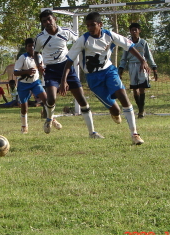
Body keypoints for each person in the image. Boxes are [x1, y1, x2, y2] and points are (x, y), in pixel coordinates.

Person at [59, 12, 150, 145]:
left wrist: (142, 60)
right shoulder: (83, 40)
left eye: (93, 25)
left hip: (108, 70)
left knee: (123, 96)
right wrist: (63, 80)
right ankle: (115, 112)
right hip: (93, 78)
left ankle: (134, 134)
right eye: (88, 25)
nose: (90, 28)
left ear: (100, 25)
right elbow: (69, 61)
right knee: (115, 110)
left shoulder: (109, 35)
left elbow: (129, 46)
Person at [35, 9, 103, 138]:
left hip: (67, 68)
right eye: (44, 21)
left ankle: (92, 132)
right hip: (50, 70)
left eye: (49, 19)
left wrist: (81, 58)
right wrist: (39, 64)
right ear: (42, 24)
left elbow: (80, 42)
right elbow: (36, 52)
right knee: (51, 98)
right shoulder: (40, 38)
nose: (48, 22)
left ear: (55, 19)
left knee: (82, 100)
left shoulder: (65, 32)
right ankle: (49, 119)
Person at [118, 23, 158, 118]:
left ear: (139, 31)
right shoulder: (127, 43)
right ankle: (140, 107)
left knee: (142, 88)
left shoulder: (143, 43)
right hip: (132, 66)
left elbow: (149, 56)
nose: (134, 31)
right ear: (130, 32)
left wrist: (154, 68)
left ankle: (141, 111)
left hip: (142, 66)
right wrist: (121, 69)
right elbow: (124, 58)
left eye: (136, 29)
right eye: (132, 30)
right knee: (135, 90)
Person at [13, 38, 49, 134]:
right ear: (26, 48)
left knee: (46, 100)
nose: (32, 48)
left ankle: (51, 120)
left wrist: (42, 69)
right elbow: (15, 72)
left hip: (35, 82)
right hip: (23, 84)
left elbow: (42, 67)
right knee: (24, 107)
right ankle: (24, 126)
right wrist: (27, 71)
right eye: (29, 46)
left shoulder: (39, 57)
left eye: (33, 46)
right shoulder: (23, 58)